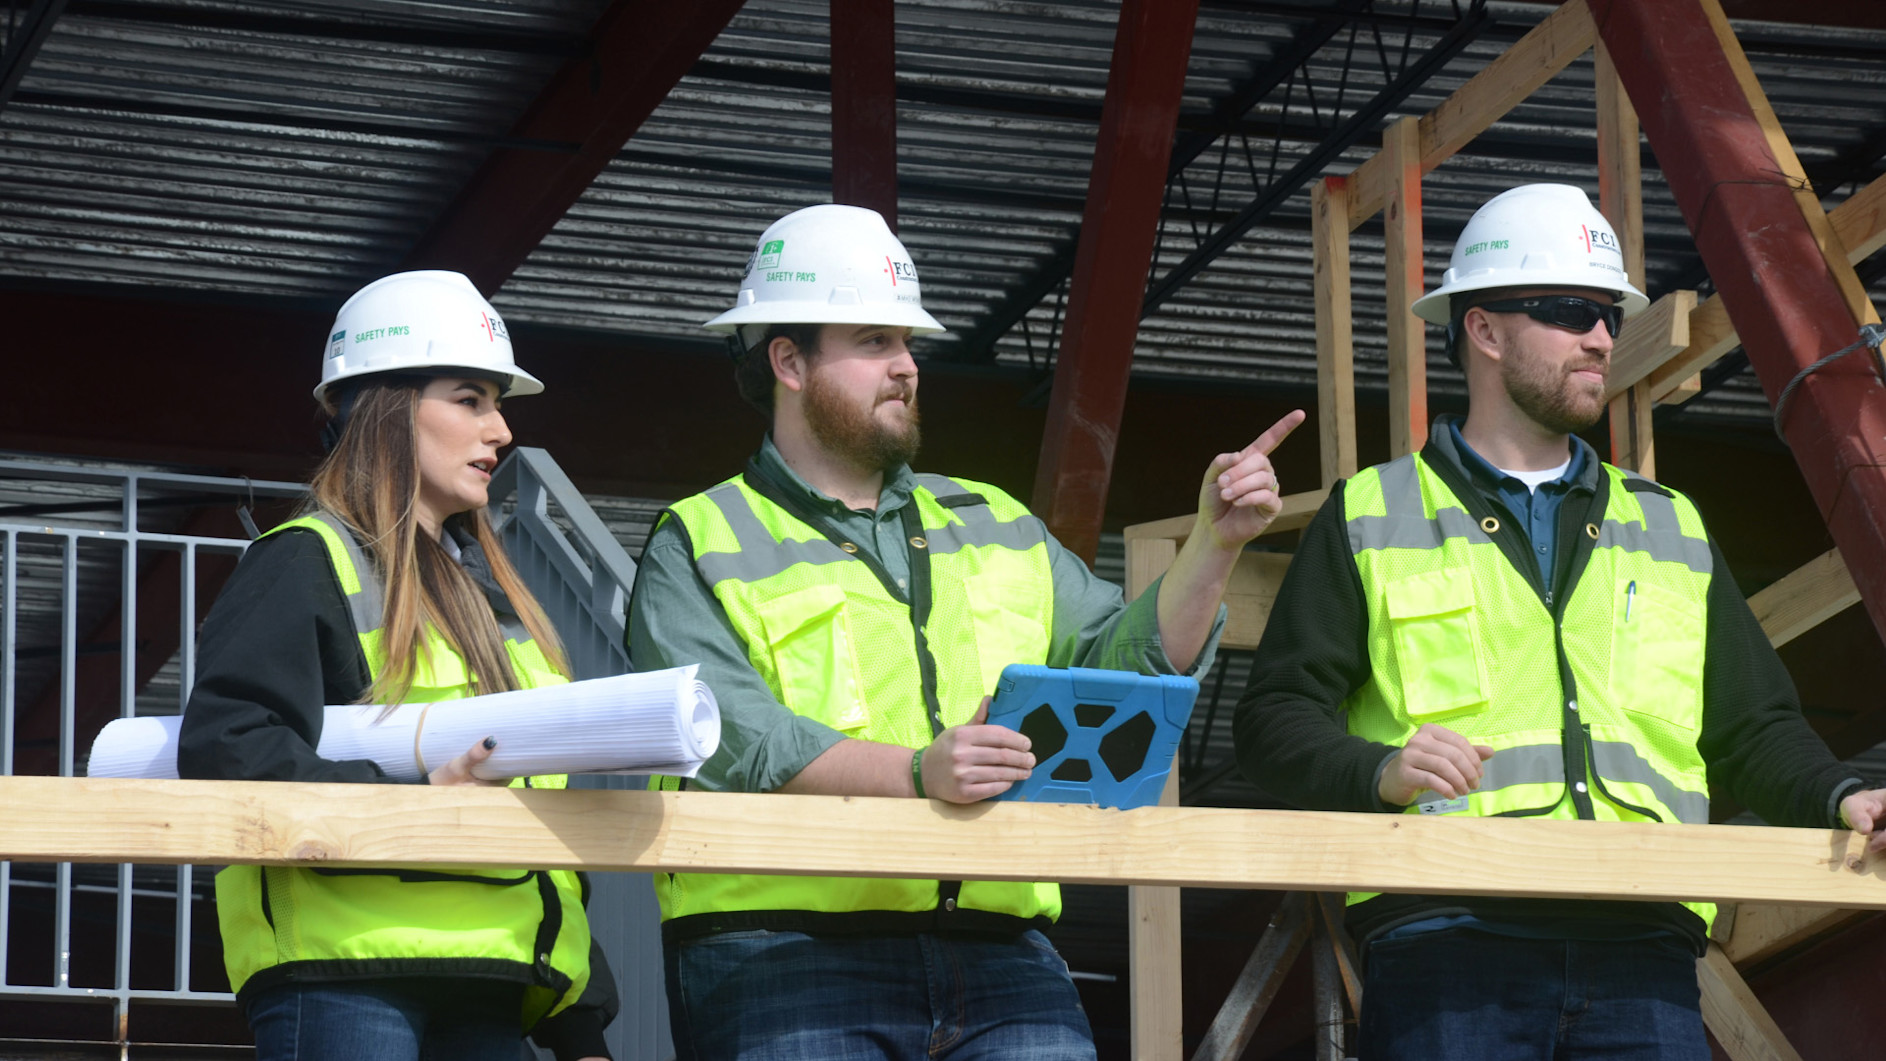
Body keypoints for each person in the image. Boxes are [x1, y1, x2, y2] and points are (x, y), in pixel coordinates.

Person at [627, 203, 1304, 1060]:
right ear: (788, 361)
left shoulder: (999, 521)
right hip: (781, 951)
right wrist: (919, 772)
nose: (906, 366)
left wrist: (1215, 542)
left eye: (910, 344)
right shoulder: (698, 536)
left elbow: (1123, 669)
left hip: (1003, 947)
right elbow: (733, 739)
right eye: (874, 340)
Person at [1232, 183, 1886, 1060]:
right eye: (1569, 310)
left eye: (1607, 314)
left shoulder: (1670, 524)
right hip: (1443, 943)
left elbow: (1752, 728)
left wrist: (1841, 794)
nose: (1602, 338)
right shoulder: (1368, 515)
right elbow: (1272, 722)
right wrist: (1380, 769)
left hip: (1645, 948)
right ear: (1486, 330)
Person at [178, 271, 617, 1061]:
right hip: (346, 976)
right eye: (471, 398)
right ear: (386, 408)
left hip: (496, 982)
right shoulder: (302, 563)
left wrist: (579, 1021)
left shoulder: (499, 604)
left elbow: (537, 827)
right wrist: (417, 803)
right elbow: (228, 750)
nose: (502, 430)